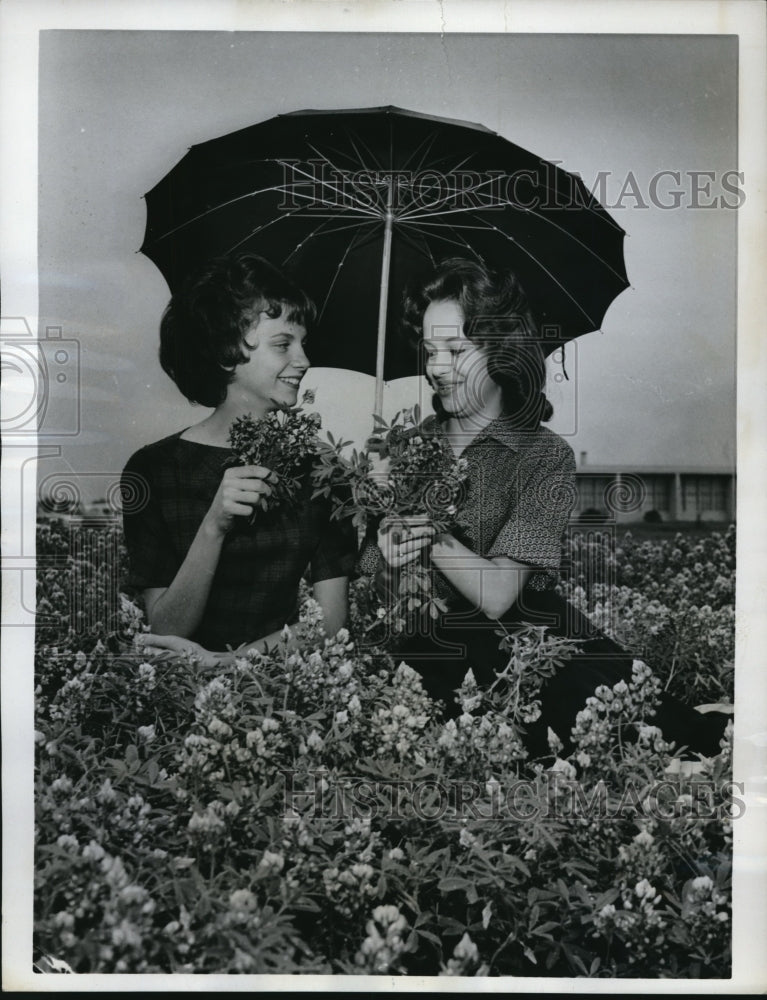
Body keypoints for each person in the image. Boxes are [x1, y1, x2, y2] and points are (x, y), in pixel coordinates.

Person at [362, 257, 730, 758]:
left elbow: (498, 595)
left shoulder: (544, 454)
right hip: (435, 647)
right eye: (429, 350)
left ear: (501, 350)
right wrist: (383, 536)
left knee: (628, 710)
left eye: (455, 349)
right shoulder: (399, 450)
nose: (437, 368)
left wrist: (426, 533)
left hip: (529, 631)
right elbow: (374, 592)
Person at [120, 253, 356, 666]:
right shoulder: (153, 469)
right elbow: (165, 630)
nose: (304, 360)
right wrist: (214, 525)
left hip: (278, 694)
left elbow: (331, 623)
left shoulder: (321, 472)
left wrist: (230, 665)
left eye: (303, 344)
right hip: (178, 695)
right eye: (283, 344)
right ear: (228, 352)